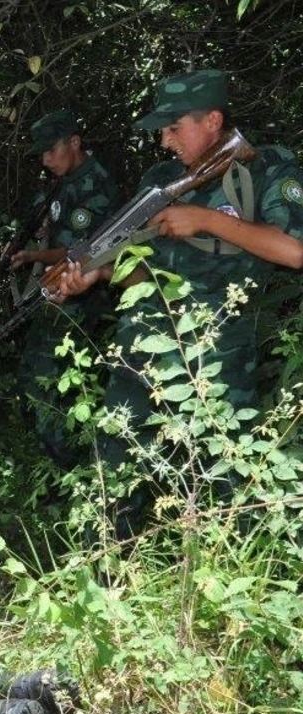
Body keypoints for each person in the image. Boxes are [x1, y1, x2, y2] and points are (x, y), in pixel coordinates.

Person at [56, 70, 303, 541]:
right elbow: (140, 270)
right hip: (143, 347)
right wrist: (99, 273)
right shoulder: (161, 181)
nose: (165, 140)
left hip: (219, 353)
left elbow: (294, 252)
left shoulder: (267, 167)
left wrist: (207, 219)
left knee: (228, 482)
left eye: (174, 128)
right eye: (162, 131)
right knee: (117, 466)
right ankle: (106, 577)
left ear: (213, 119)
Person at [11, 110, 120, 468]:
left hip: (80, 298)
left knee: (47, 384)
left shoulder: (96, 184)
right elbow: (51, 226)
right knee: (32, 377)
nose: (46, 160)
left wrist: (31, 255)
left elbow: (80, 250)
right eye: (40, 153)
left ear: (75, 142)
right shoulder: (62, 180)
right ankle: (56, 463)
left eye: (51, 150)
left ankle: (73, 470)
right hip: (55, 294)